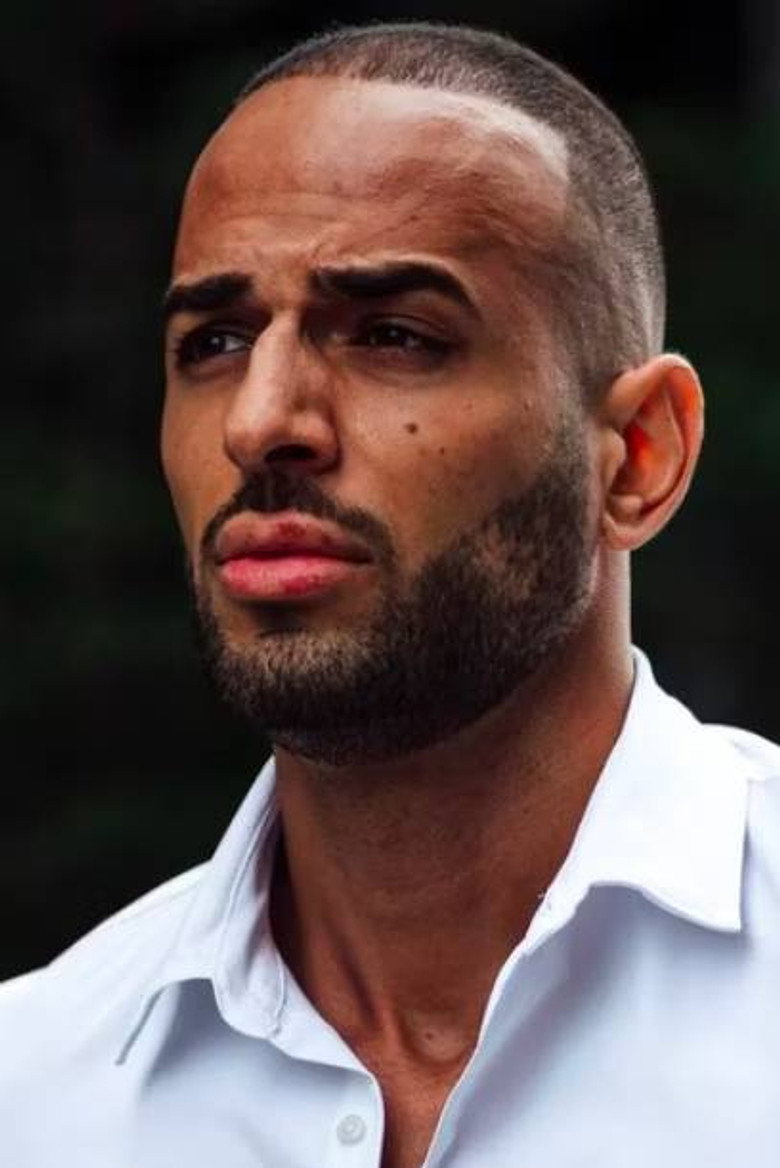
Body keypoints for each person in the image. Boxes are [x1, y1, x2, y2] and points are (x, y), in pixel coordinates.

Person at [2, 20, 778, 1168]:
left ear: (639, 457)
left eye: (395, 335)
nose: (261, 421)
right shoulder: (37, 1092)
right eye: (215, 341)